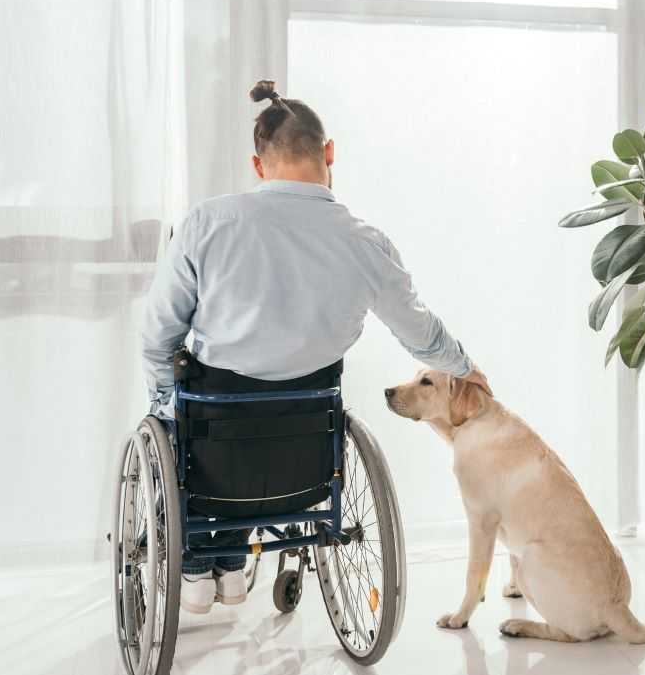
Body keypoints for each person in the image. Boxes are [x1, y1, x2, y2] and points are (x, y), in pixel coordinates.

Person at [141, 80, 489, 614]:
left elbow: (159, 335)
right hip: (307, 452)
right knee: (244, 418)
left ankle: (205, 563)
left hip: (214, 440)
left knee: (183, 414)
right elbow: (419, 332)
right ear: (328, 153)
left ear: (259, 166)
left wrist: (164, 402)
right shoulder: (364, 242)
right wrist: (466, 369)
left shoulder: (206, 224)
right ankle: (232, 562)